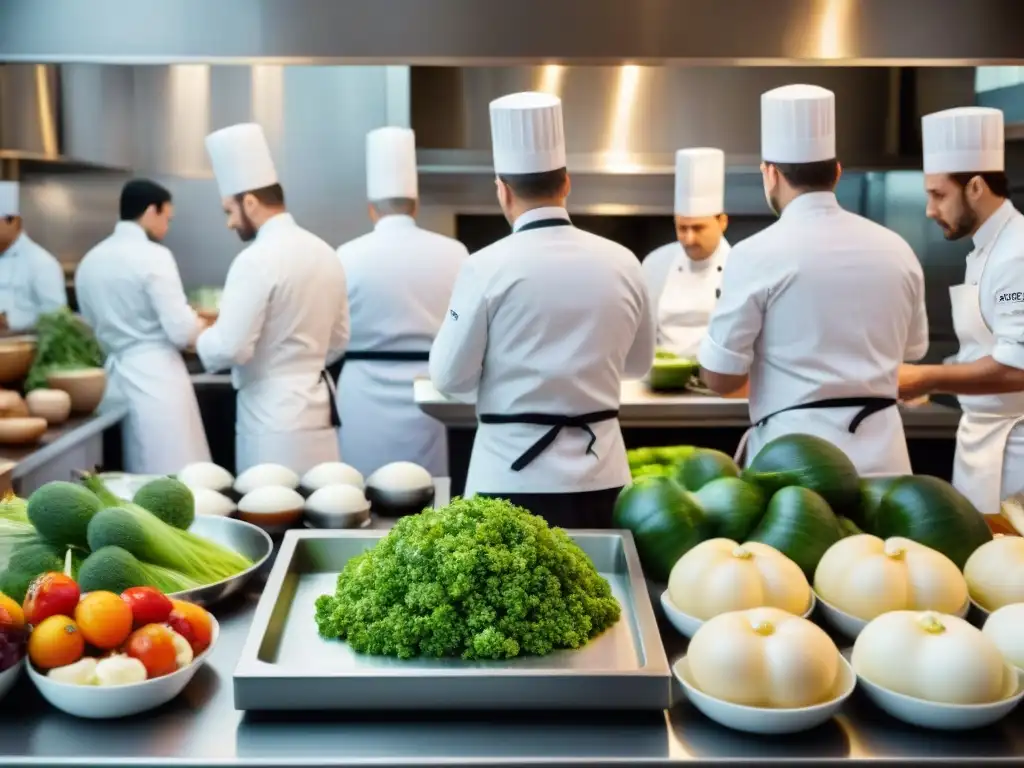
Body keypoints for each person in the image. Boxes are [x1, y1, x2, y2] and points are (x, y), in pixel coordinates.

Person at [429, 92, 656, 528]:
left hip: (507, 478)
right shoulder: (625, 260)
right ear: (567, 182)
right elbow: (639, 365)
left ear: (502, 189)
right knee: (603, 592)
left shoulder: (483, 267)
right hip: (602, 473)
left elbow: (448, 378)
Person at [697, 84, 929, 474]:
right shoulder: (897, 247)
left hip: (794, 465)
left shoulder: (754, 254)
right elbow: (914, 352)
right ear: (836, 173)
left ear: (770, 175)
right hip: (886, 461)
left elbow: (720, 379)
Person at [198, 122, 350, 475]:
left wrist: (199, 337)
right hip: (317, 413)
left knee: (271, 518)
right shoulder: (326, 252)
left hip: (270, 419)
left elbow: (232, 347)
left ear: (249, 201)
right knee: (319, 509)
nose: (229, 222)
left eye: (229, 210)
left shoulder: (254, 259)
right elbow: (340, 339)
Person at [898, 106, 1024, 515]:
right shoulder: (988, 248)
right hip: (982, 444)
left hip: (1014, 455)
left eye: (938, 195)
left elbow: (1018, 367)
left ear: (975, 187)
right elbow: (990, 346)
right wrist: (937, 380)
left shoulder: (1016, 256)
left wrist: (924, 376)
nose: (930, 210)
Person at [335, 126, 468, 478]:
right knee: (426, 492)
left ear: (371, 209)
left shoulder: (346, 256)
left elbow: (333, 334)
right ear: (416, 205)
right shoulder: (454, 253)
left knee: (362, 490)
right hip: (429, 389)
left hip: (362, 393)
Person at [76, 179, 212, 474]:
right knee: (173, 478)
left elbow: (88, 324)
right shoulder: (154, 256)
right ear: (152, 210)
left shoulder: (90, 260)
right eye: (167, 218)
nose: (167, 226)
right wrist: (199, 322)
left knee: (129, 482)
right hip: (157, 378)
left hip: (112, 381)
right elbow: (180, 330)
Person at [642, 148, 730, 359]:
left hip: (719, 385)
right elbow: (642, 335)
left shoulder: (741, 267)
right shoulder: (655, 264)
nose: (688, 239)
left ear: (722, 222)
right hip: (663, 381)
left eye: (698, 228)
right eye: (682, 228)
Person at [0, 180, 67, 331]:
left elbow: (56, 318)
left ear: (13, 221)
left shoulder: (41, 263)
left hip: (22, 350)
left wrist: (11, 322)